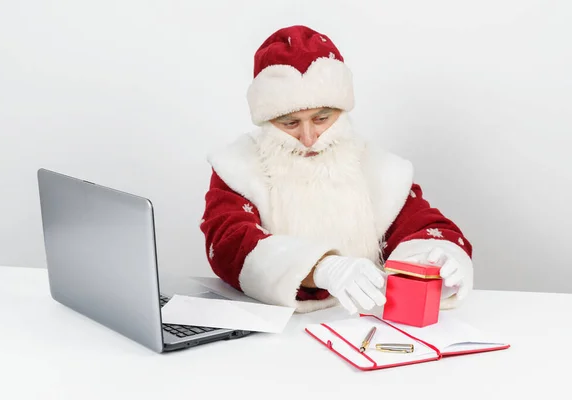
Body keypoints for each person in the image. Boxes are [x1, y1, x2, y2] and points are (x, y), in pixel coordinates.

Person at [199, 25, 473, 314]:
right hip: (276, 330)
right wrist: (320, 267)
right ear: (267, 121)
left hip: (359, 324)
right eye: (290, 123)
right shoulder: (238, 167)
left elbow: (423, 227)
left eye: (322, 118)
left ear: (341, 112)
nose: (308, 138)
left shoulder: (378, 167)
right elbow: (229, 241)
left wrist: (433, 261)